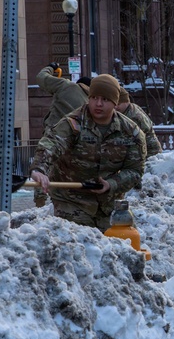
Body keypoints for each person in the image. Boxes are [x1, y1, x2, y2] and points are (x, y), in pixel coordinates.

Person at [29, 74, 146, 231]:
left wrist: (112, 184)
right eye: (94, 98)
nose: (98, 104)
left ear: (115, 103)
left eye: (104, 99)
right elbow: (51, 144)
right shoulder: (73, 123)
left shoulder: (131, 132)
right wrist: (39, 169)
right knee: (79, 243)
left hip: (108, 204)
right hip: (71, 200)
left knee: (122, 247)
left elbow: (135, 171)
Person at [35, 63, 90, 207]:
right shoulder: (91, 102)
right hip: (75, 141)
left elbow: (41, 78)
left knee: (43, 168)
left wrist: (51, 68)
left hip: (54, 135)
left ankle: (40, 204)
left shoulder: (67, 86)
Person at [116, 87, 162, 159]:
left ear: (126, 102)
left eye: (118, 104)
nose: (115, 107)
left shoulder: (133, 117)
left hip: (150, 154)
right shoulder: (130, 109)